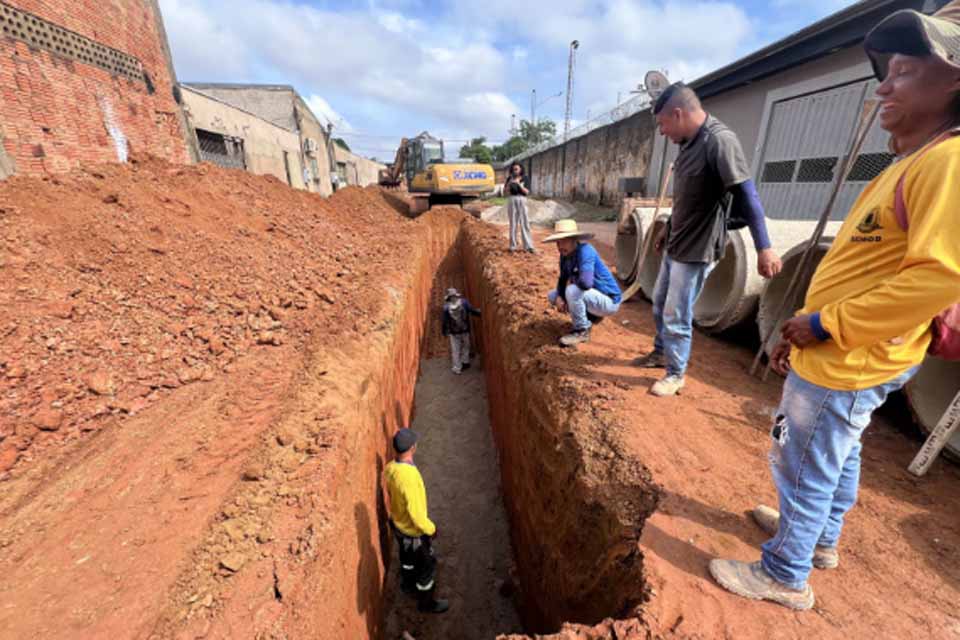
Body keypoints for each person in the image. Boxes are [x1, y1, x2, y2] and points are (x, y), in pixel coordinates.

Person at [709, 2, 960, 611]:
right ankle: (819, 539)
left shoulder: (950, 163)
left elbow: (938, 278)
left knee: (803, 461)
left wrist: (824, 324)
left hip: (850, 354)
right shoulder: (916, 162)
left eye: (903, 70)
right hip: (857, 351)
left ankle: (785, 574)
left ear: (954, 79)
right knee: (837, 451)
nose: (884, 84)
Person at [633, 83, 782, 397]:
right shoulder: (687, 143)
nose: (662, 132)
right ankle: (661, 353)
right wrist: (666, 228)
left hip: (698, 250)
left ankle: (675, 374)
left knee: (677, 312)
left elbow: (747, 193)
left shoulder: (719, 141)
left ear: (678, 113)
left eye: (662, 124)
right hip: (677, 243)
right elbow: (688, 197)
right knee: (660, 303)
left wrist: (763, 247)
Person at [383, 428, 449, 614]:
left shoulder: (391, 468)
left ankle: (408, 584)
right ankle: (426, 603)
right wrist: (431, 529)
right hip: (413, 534)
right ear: (413, 448)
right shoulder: (409, 477)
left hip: (398, 526)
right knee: (427, 567)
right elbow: (417, 515)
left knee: (407, 559)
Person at [543, 219, 622, 346]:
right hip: (593, 297)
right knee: (553, 295)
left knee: (572, 291)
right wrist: (559, 297)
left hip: (609, 301)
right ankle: (591, 317)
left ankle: (581, 331)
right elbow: (562, 279)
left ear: (574, 239)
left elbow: (586, 283)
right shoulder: (564, 256)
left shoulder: (585, 251)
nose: (560, 246)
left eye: (564, 241)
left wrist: (570, 284)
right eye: (558, 242)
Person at [441, 288, 481, 374]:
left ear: (449, 297)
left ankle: (457, 368)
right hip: (465, 330)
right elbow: (472, 311)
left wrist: (444, 332)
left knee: (455, 350)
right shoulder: (464, 302)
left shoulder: (446, 307)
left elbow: (445, 321)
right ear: (456, 295)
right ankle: (465, 362)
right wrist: (479, 313)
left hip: (454, 333)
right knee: (466, 346)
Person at [505, 162, 535, 253]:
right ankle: (512, 246)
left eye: (517, 169)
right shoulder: (510, 178)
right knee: (513, 223)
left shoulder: (525, 178)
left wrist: (518, 184)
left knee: (524, 222)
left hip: (522, 200)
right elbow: (505, 192)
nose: (515, 171)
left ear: (521, 169)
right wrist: (509, 184)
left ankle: (528, 246)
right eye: (513, 169)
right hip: (512, 200)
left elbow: (526, 192)